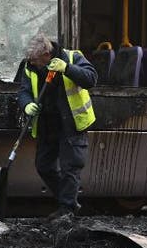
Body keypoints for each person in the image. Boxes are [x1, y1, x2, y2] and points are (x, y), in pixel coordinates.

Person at [16, 31, 97, 218]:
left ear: (46, 54)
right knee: (44, 165)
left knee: (71, 168)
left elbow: (91, 79)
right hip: (47, 124)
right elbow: (23, 91)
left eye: (35, 59)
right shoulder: (30, 67)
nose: (32, 63)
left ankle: (67, 210)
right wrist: (26, 104)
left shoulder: (72, 57)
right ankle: (68, 202)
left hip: (72, 123)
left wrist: (67, 68)